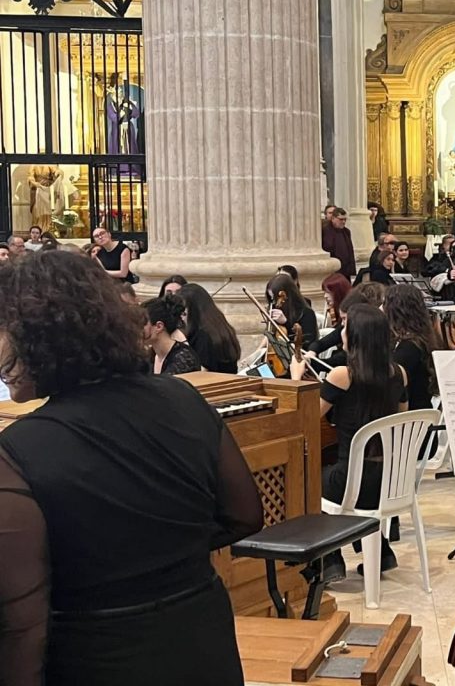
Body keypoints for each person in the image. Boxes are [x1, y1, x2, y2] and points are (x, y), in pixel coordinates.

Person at [0, 252, 261, 686]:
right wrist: (161, 555)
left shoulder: (17, 452)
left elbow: (23, 624)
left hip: (100, 656)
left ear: (39, 336)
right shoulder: (182, 398)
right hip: (201, 638)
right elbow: (245, 515)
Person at [294, 304, 408, 579]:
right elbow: (402, 420)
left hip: (352, 482)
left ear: (356, 336)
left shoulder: (342, 375)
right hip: (391, 480)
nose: (341, 332)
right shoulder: (400, 373)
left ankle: (331, 559)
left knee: (308, 479)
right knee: (342, 472)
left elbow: (305, 418)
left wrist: (296, 378)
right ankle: (381, 552)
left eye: (345, 327)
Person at [383, 285, 440, 411]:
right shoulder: (422, 338)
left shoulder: (409, 348)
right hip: (419, 409)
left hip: (411, 413)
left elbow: (393, 383)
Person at [176, 283, 242, 374]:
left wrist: (182, 342)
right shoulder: (219, 327)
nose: (181, 317)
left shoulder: (202, 336)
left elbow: (200, 371)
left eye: (183, 312)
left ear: (193, 310)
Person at [143, 295, 202, 376]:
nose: (135, 328)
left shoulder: (184, 358)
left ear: (159, 326)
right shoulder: (149, 356)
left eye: (141, 323)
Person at [265, 274, 319, 345]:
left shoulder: (307, 313)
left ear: (287, 296)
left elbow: (307, 343)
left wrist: (286, 323)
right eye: (271, 299)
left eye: (275, 298)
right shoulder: (277, 309)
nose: (274, 303)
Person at [322, 207, 356, 278]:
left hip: (345, 269)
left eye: (345, 219)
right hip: (332, 268)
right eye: (340, 219)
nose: (343, 222)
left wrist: (352, 269)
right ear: (333, 219)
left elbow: (350, 251)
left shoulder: (346, 232)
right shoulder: (325, 231)